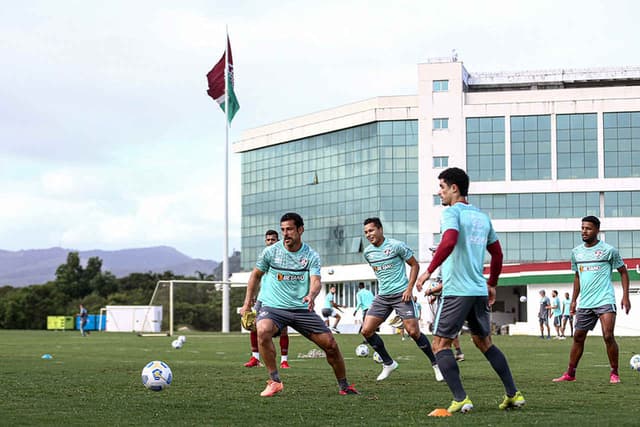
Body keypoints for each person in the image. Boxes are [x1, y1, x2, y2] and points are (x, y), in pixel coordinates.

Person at [416, 167, 525, 413]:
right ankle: (513, 394)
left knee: (440, 345)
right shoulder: (482, 217)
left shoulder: (451, 213)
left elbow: (450, 239)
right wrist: (492, 284)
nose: (439, 192)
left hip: (457, 290)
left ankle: (461, 398)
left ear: (454, 188)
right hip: (477, 290)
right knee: (484, 342)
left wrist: (428, 271)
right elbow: (497, 253)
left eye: (442, 187)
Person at [240, 212, 359, 397]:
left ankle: (344, 386)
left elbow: (316, 281)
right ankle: (274, 381)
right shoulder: (271, 252)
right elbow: (255, 276)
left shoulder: (311, 255)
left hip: (301, 309)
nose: (286, 233)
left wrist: (311, 295)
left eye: (289, 229)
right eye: (283, 230)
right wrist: (247, 304)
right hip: (274, 308)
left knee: (331, 345)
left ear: (300, 230)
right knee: (262, 330)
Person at [360, 217, 443, 382]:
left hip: (401, 294)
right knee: (366, 331)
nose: (368, 234)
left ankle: (436, 365)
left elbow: (415, 265)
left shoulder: (396, 245)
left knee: (413, 331)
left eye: (371, 230)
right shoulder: (368, 253)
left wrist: (409, 288)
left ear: (380, 229)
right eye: (366, 232)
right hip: (383, 296)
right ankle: (388, 363)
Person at [553, 216, 630, 384]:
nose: (584, 231)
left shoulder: (609, 250)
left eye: (588, 228)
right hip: (585, 302)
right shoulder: (576, 252)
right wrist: (574, 300)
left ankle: (614, 373)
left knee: (608, 335)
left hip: (605, 299)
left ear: (597, 230)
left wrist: (625, 296)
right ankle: (570, 374)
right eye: (582, 228)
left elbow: (623, 272)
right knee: (578, 337)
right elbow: (577, 276)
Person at [244, 230, 290, 369]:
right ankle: (255, 358)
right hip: (262, 298)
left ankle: (284, 361)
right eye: (268, 240)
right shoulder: (263, 257)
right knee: (253, 326)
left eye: (273, 239)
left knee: (283, 330)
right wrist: (251, 297)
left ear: (278, 241)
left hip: (280, 299)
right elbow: (256, 277)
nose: (270, 242)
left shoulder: (284, 257)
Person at [425, 278, 465, 361]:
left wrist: (431, 291)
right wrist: (435, 298)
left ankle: (441, 358)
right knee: (451, 331)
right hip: (451, 304)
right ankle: (458, 352)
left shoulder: (446, 270)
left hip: (447, 306)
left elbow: (445, 284)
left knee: (439, 334)